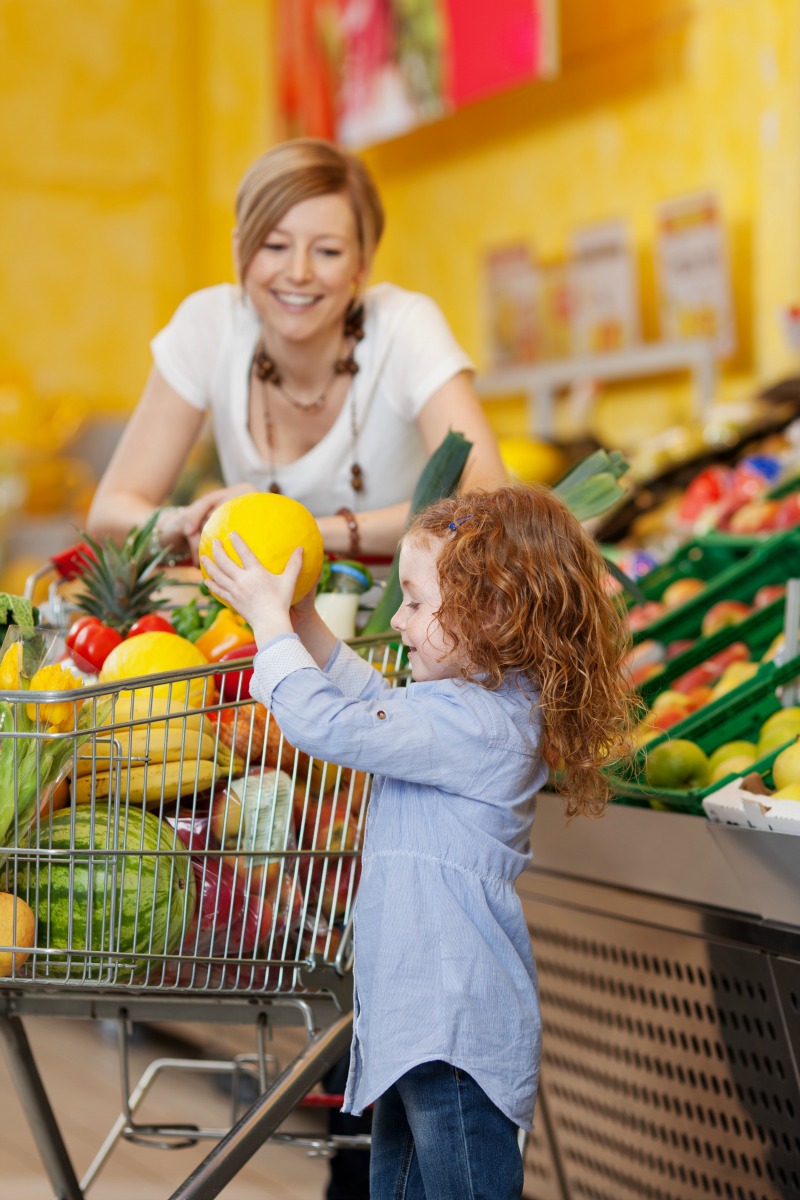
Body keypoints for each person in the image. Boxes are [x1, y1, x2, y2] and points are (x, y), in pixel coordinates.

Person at [200, 483, 636, 1200]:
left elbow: (332, 725)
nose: (398, 620)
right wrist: (302, 617)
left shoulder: (484, 725)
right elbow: (368, 699)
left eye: (415, 600)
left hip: (453, 1028)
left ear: (491, 612)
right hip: (417, 1025)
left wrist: (269, 624)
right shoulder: (463, 704)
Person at [86, 137, 507, 561]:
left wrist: (304, 533)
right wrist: (182, 523)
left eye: (327, 251)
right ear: (240, 251)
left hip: (410, 620)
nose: (299, 272)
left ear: (361, 263)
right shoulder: (209, 326)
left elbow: (488, 502)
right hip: (261, 617)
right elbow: (108, 515)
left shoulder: (405, 327)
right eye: (275, 246)